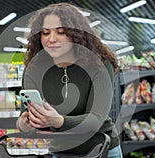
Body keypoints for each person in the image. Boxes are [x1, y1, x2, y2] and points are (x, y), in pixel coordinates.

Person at [16, 3, 123, 158]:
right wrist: (25, 124)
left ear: (77, 34)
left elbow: (95, 119)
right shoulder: (34, 69)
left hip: (102, 149)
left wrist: (58, 121)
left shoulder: (99, 63)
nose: (51, 39)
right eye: (45, 33)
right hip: (61, 152)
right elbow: (24, 120)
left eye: (60, 32)